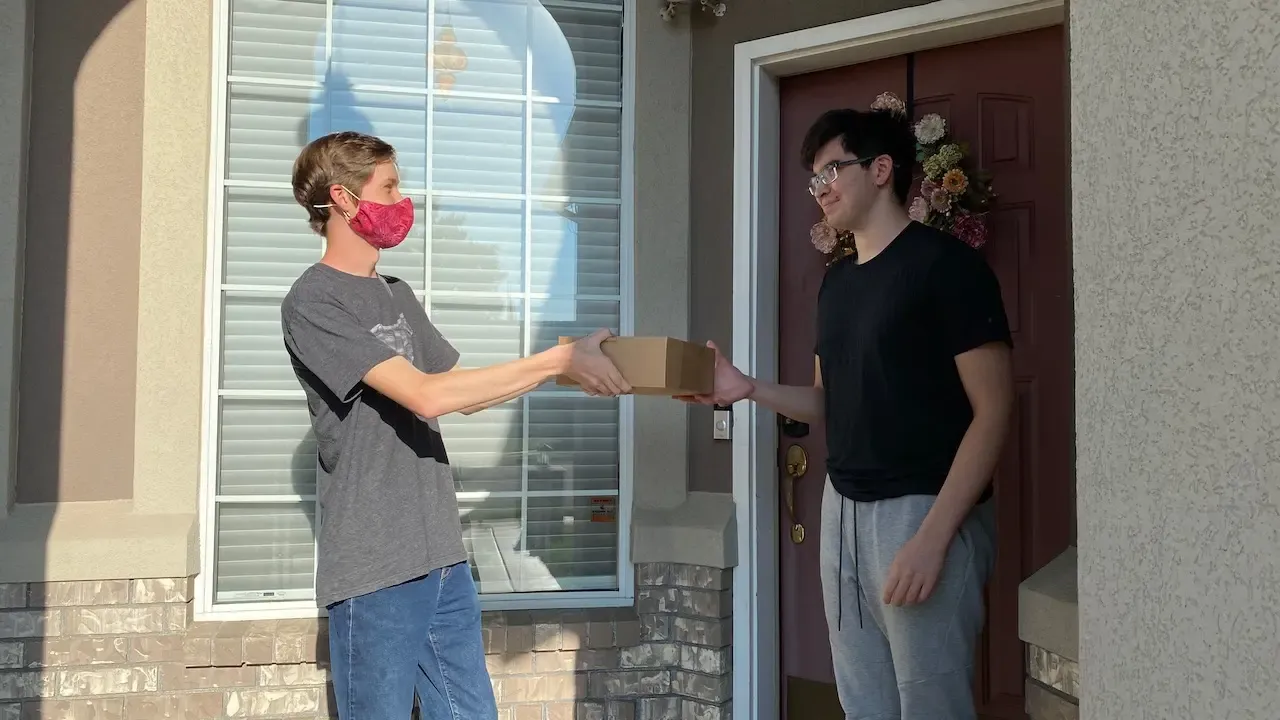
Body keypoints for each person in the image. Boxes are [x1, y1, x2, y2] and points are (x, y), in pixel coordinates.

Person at [280, 130, 631, 720]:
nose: (402, 200)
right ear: (342, 199)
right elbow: (425, 395)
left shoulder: (396, 294)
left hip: (440, 555)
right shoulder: (313, 303)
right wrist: (557, 360)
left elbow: (462, 393)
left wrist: (563, 363)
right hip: (375, 569)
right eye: (389, 187)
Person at [681, 108, 1014, 719]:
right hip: (842, 510)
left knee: (931, 705)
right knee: (864, 702)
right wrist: (747, 387)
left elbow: (993, 414)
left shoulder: (948, 269)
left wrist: (932, 539)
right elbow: (826, 401)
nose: (821, 189)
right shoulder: (836, 283)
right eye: (814, 178)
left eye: (832, 169)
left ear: (882, 169)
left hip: (922, 512)